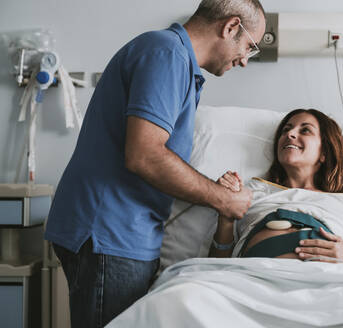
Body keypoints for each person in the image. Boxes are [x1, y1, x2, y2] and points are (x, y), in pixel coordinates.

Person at [44, 1, 266, 327]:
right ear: (231, 27)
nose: (246, 60)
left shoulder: (176, 62)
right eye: (249, 46)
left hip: (120, 235)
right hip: (110, 234)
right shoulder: (167, 55)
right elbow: (145, 155)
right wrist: (223, 199)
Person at [210, 109, 343, 275]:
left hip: (331, 280)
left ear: (324, 153)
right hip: (254, 278)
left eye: (305, 130)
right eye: (286, 130)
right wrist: (225, 213)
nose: (290, 134)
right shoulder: (251, 191)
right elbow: (217, 266)